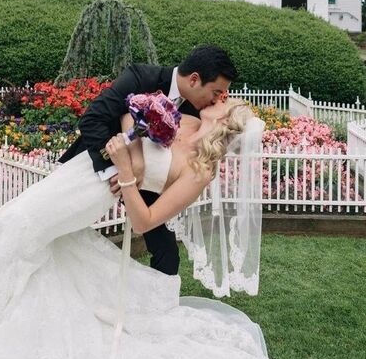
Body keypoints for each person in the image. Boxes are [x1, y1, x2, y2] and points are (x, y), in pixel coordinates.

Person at [0, 97, 272, 359]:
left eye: (228, 101)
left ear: (228, 121)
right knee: (19, 232)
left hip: (103, 190)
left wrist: (127, 171)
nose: (220, 97)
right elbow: (133, 113)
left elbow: (145, 221)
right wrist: (129, 136)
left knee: (15, 229)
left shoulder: (200, 171)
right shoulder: (185, 120)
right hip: (85, 171)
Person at [59, 44, 238, 275]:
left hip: (143, 185)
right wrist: (124, 168)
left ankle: (159, 306)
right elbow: (92, 121)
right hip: (98, 167)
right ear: (194, 79)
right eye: (216, 92)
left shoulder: (197, 114)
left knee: (167, 252)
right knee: (60, 233)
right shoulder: (141, 77)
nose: (217, 100)